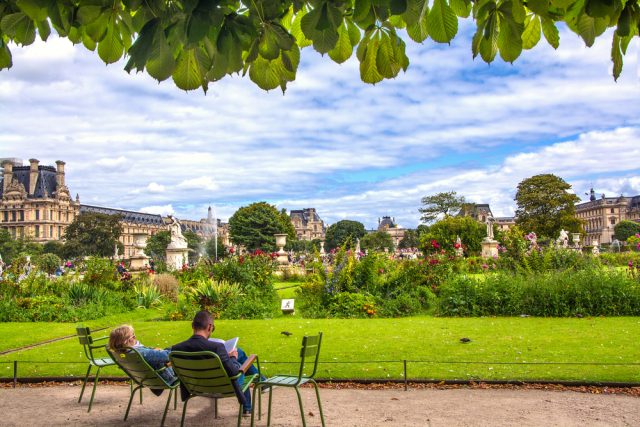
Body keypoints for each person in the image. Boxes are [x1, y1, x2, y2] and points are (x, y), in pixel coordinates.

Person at [169, 311, 257, 416]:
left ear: (192, 326)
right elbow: (234, 373)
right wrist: (233, 357)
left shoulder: (176, 349)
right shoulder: (217, 347)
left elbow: (176, 373)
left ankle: (251, 401)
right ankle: (255, 392)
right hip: (224, 387)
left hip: (195, 387)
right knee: (241, 363)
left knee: (238, 356)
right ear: (210, 327)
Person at [108, 325, 178, 392]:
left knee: (176, 348)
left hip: (145, 380)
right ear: (126, 341)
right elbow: (169, 355)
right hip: (168, 378)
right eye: (133, 336)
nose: (135, 337)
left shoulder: (123, 354)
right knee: (181, 351)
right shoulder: (141, 353)